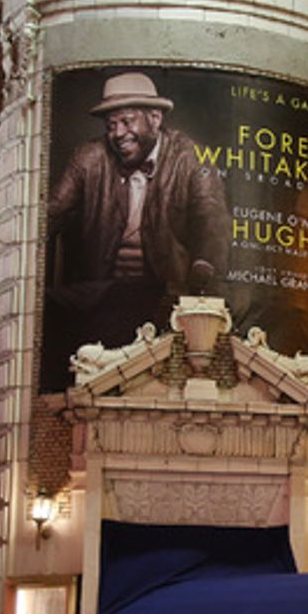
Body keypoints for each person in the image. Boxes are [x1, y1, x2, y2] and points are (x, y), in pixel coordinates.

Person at [44, 72, 232, 389]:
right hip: (99, 289)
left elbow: (211, 222)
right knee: (44, 311)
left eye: (127, 122)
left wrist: (202, 270)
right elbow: (51, 213)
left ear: (155, 119)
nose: (118, 133)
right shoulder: (88, 158)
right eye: (111, 125)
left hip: (165, 292)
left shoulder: (190, 158)